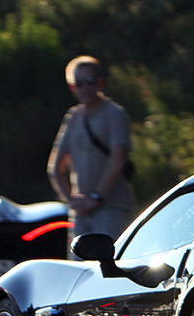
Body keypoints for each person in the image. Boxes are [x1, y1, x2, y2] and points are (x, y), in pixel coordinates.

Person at [47, 56, 136, 250]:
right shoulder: (73, 117)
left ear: (100, 83)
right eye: (79, 83)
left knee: (108, 265)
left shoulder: (114, 114)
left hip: (112, 207)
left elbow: (117, 161)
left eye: (90, 81)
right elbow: (55, 167)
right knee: (79, 270)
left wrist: (96, 198)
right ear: (72, 87)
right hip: (80, 214)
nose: (85, 88)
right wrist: (71, 200)